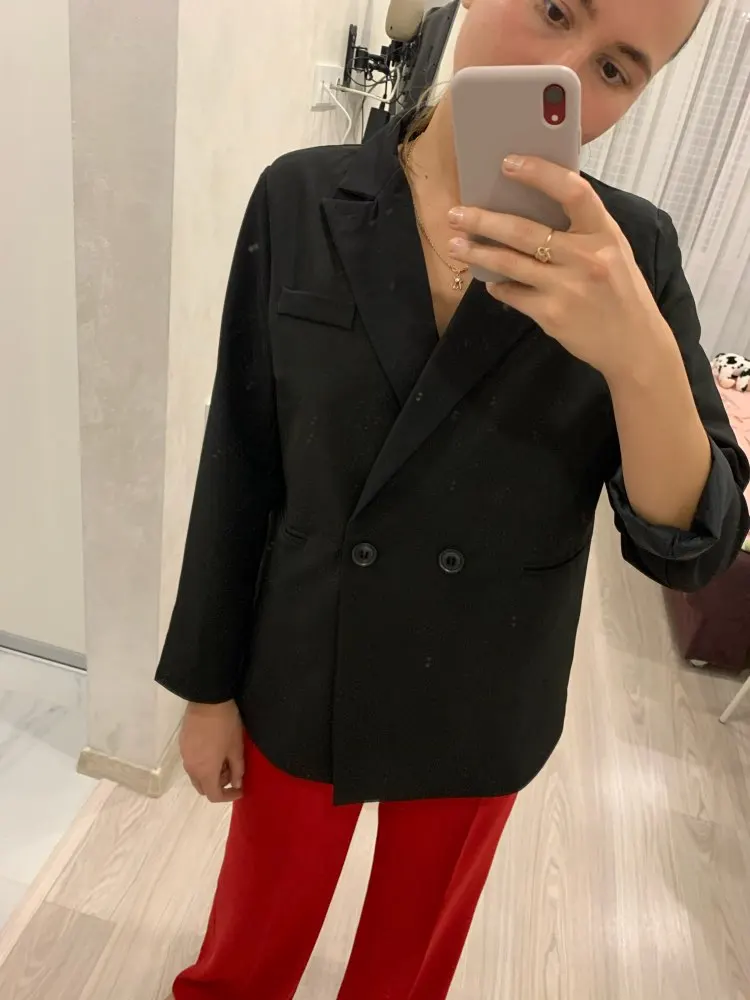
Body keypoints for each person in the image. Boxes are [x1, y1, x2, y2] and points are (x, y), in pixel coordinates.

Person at [155, 1, 750, 997]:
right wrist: (205, 686)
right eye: (554, 8)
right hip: (304, 656)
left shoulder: (631, 253)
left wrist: (638, 355)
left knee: (407, 968)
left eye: (616, 68)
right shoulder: (303, 196)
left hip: (485, 690)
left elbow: (688, 545)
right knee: (247, 946)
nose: (566, 70)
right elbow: (241, 460)